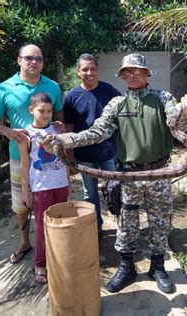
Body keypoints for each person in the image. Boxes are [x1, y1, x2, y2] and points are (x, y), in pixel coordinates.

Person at [43, 53, 187, 293]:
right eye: (127, 72)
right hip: (127, 175)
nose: (131, 75)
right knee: (126, 222)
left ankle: (157, 267)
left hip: (159, 172)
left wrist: (185, 111)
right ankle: (127, 267)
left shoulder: (162, 98)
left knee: (160, 222)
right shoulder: (117, 104)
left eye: (137, 71)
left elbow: (175, 126)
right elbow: (98, 132)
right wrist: (67, 140)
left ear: (147, 73)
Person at [0, 44, 63, 264]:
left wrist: (59, 125)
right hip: (20, 157)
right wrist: (8, 132)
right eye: (29, 58)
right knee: (22, 202)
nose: (34, 62)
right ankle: (24, 241)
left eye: (38, 59)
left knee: (50, 202)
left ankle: (51, 242)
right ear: (19, 60)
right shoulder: (4, 88)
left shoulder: (53, 86)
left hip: (50, 158)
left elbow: (58, 114)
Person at [63, 53, 120, 235]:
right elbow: (69, 127)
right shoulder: (72, 96)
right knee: (90, 193)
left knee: (115, 189)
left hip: (108, 152)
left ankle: (122, 224)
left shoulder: (109, 90)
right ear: (79, 72)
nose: (89, 72)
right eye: (85, 69)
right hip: (84, 156)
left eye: (93, 68)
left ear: (97, 70)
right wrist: (70, 154)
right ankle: (96, 226)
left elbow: (123, 115)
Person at [18, 92, 69, 284]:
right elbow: (24, 165)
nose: (46, 114)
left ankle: (60, 258)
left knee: (62, 223)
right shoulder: (25, 135)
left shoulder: (57, 130)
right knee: (42, 226)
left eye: (49, 111)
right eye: (41, 111)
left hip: (60, 185)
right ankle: (40, 263)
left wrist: (68, 183)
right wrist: (26, 191)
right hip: (41, 188)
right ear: (31, 110)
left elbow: (63, 158)